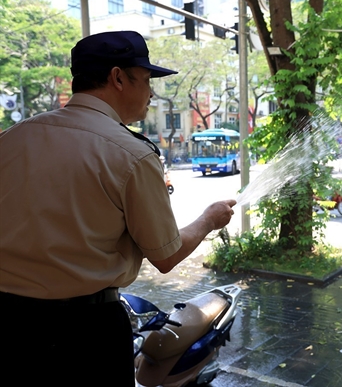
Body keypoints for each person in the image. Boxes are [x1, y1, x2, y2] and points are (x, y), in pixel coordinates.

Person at [0, 31, 236, 387]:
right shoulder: (131, 154)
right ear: (118, 78)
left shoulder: (12, 138)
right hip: (85, 333)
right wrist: (208, 220)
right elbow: (166, 255)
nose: (151, 92)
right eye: (145, 80)